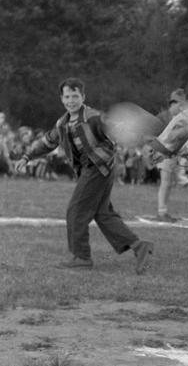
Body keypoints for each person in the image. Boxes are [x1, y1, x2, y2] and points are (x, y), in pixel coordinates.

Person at [15, 77, 153, 272]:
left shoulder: (93, 116)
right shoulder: (62, 123)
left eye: (75, 96)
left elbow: (112, 127)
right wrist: (27, 157)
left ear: (83, 97)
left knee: (76, 211)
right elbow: (47, 142)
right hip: (92, 169)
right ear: (62, 99)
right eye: (67, 96)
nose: (71, 100)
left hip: (98, 167)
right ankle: (140, 247)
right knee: (103, 214)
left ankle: (81, 257)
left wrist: (132, 130)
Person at [156, 88, 188, 222]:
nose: (181, 108)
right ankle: (161, 211)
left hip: (174, 154)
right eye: (179, 105)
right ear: (172, 103)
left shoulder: (180, 118)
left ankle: (163, 210)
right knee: (165, 182)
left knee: (168, 184)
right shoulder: (163, 117)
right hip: (163, 153)